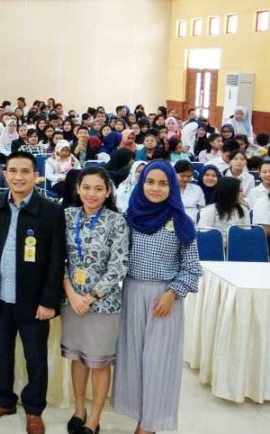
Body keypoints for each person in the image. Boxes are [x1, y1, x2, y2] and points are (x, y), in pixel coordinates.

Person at [0, 151, 65, 434]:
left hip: (34, 301)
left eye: (25, 171)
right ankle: (5, 399)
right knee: (1, 352)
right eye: (12, 171)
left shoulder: (51, 211)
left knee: (35, 357)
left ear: (35, 175)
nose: (18, 177)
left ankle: (34, 408)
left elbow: (56, 260)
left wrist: (49, 300)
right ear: (5, 174)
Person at [113, 160, 202, 434]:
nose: (155, 188)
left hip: (164, 299)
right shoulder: (129, 217)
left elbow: (192, 268)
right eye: (150, 182)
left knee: (159, 362)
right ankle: (141, 414)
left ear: (172, 187)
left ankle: (150, 425)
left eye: (163, 183)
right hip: (131, 292)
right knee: (133, 360)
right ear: (141, 183)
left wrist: (172, 293)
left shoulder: (181, 221)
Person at [61, 168, 130, 434]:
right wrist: (71, 294)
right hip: (72, 302)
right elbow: (58, 258)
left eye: (98, 189)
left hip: (104, 304)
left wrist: (89, 297)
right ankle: (79, 410)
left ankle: (94, 418)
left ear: (108, 191)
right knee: (78, 359)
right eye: (86, 187)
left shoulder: (117, 221)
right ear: (78, 189)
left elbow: (119, 265)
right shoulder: (66, 216)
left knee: (99, 362)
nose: (92, 193)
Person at [196, 176, 250, 244]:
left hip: (240, 248)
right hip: (217, 249)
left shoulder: (244, 209)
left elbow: (247, 234)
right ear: (229, 192)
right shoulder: (209, 211)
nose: (243, 194)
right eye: (240, 191)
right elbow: (204, 236)